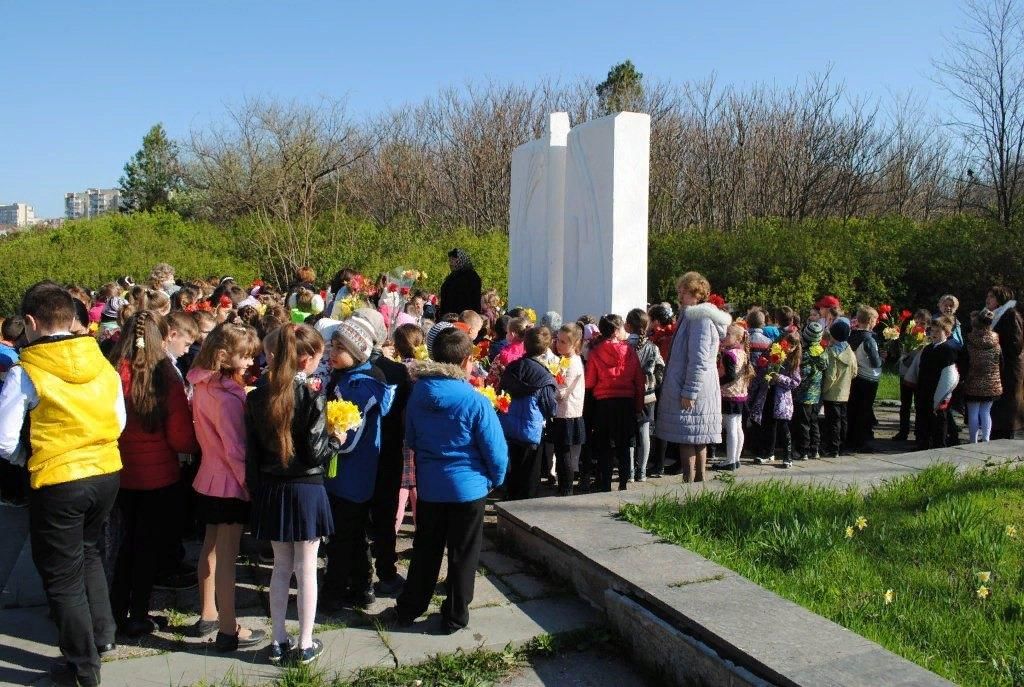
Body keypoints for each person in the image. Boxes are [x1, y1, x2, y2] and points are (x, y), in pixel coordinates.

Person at [0, 282, 126, 687]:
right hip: (106, 471)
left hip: (59, 478)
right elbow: (119, 420)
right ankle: (103, 635)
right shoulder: (101, 361)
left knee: (61, 576)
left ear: (32, 323)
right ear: (72, 319)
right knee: (89, 553)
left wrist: (28, 457)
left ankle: (81, 667)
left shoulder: (27, 371)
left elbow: (3, 441)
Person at [387, 328, 508, 633]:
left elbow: (411, 438)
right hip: (468, 488)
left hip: (431, 487)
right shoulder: (475, 401)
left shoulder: (418, 394)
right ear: (468, 361)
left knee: (426, 548)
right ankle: (454, 614)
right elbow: (496, 451)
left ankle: (410, 605)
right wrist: (495, 479)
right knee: (463, 553)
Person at [246, 324, 334, 665]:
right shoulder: (313, 394)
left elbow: (251, 453)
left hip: (272, 488)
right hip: (306, 488)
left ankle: (279, 639)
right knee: (307, 568)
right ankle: (306, 642)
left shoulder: (256, 396)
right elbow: (315, 453)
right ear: (306, 358)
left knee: (280, 568)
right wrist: (337, 439)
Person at [107, 311, 198, 637]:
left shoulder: (112, 371)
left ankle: (115, 611)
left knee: (123, 545)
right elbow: (180, 437)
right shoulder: (165, 376)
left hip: (119, 471)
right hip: (160, 476)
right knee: (147, 549)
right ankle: (138, 614)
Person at [187, 322, 266, 651]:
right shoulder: (229, 398)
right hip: (230, 484)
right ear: (224, 356)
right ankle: (228, 628)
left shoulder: (202, 384)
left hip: (207, 477)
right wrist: (250, 486)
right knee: (228, 558)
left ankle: (207, 610)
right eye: (245, 357)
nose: (250, 363)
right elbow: (236, 450)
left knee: (211, 547)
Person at [322, 316, 395, 611]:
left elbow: (350, 438)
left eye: (338, 347)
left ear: (358, 352)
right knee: (351, 535)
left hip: (352, 475)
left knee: (340, 538)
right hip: (347, 476)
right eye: (332, 345)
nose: (331, 351)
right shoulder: (349, 379)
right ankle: (362, 586)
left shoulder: (361, 386)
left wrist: (327, 439)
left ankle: (333, 594)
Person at [357, 308, 412, 598]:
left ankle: (361, 576)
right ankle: (386, 572)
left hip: (356, 454)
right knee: (385, 514)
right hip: (387, 451)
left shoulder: (350, 369)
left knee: (357, 516)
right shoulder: (397, 370)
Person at [656, 272, 731, 483]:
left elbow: (698, 359)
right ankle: (697, 482)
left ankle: (691, 482)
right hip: (696, 383)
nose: (680, 295)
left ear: (697, 294)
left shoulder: (699, 319)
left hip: (693, 384)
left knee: (689, 436)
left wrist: (690, 390)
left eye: (684, 291)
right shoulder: (691, 316)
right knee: (696, 434)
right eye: (680, 290)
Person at [585, 315, 645, 491]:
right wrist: (638, 407)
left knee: (605, 447)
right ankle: (624, 483)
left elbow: (589, 382)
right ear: (617, 331)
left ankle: (604, 484)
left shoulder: (595, 352)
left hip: (604, 404)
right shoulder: (629, 351)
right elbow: (639, 381)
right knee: (624, 445)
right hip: (626, 403)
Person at [500, 327, 558, 500]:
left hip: (508, 426)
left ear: (525, 344)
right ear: (545, 348)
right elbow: (549, 406)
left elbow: (500, 392)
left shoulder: (511, 368)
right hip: (531, 430)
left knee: (512, 470)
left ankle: (509, 503)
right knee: (531, 475)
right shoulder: (545, 375)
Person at [750, 332, 803, 467]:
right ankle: (768, 452)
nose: (788, 348)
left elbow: (795, 381)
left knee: (783, 427)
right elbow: (760, 371)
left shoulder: (792, 361)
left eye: (792, 346)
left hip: (782, 398)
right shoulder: (771, 353)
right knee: (768, 424)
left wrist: (779, 378)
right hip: (767, 393)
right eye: (787, 345)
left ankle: (788, 456)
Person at [626, 309, 664, 482]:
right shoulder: (653, 347)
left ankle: (630, 472)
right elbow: (660, 369)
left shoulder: (624, 346)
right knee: (645, 433)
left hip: (627, 394)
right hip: (648, 396)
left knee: (629, 435)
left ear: (627, 326)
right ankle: (642, 471)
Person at [913, 317, 960, 451]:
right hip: (923, 389)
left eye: (938, 332)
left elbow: (949, 376)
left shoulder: (947, 350)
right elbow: (921, 369)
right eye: (932, 331)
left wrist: (943, 395)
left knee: (939, 418)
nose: (934, 334)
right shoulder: (928, 349)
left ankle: (939, 444)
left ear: (947, 334)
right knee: (922, 417)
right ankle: (923, 443)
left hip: (937, 389)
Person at [714, 323, 753, 472]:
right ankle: (735, 458)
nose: (725, 337)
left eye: (728, 334)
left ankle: (730, 460)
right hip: (740, 394)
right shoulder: (742, 352)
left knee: (731, 428)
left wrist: (718, 382)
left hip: (730, 394)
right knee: (737, 427)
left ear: (738, 339)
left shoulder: (729, 354)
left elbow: (730, 375)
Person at [988, 285, 1024, 439]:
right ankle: (998, 431)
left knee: (1008, 402)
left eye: (991, 296)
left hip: (1010, 367)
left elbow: (1016, 345)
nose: (987, 300)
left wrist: (995, 344)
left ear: (1000, 299)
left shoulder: (1010, 315)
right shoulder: (997, 315)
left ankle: (1007, 433)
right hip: (1000, 366)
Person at [846, 306, 883, 452]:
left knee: (853, 408)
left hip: (855, 375)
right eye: (875, 319)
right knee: (865, 410)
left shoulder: (851, 335)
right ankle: (862, 441)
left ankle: (851, 438)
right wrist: (883, 358)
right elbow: (875, 362)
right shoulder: (869, 339)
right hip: (868, 377)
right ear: (870, 321)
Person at [964, 309, 1002, 443]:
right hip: (992, 383)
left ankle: (973, 441)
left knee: (973, 412)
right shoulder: (996, 340)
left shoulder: (969, 340)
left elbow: (964, 362)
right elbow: (1001, 362)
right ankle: (986, 440)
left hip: (972, 381)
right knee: (986, 412)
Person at [892, 309, 931, 442]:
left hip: (919, 375)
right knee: (905, 404)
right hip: (905, 373)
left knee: (920, 405)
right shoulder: (907, 334)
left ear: (928, 325)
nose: (919, 325)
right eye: (917, 321)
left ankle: (919, 432)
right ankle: (903, 431)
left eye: (923, 323)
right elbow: (901, 352)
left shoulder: (929, 338)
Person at [821, 318, 857, 458]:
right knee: (842, 419)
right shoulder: (850, 351)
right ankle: (841, 446)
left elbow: (830, 376)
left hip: (832, 393)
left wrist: (824, 389)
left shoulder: (831, 353)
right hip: (845, 391)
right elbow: (854, 371)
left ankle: (832, 447)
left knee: (832, 422)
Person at [792, 321, 827, 461]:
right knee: (814, 421)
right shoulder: (822, 352)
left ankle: (803, 450)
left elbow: (803, 375)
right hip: (816, 394)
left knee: (803, 423)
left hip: (804, 394)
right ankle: (815, 449)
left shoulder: (806, 355)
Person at [438, 248, 482, 318]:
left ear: (460, 260)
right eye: (450, 260)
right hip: (449, 316)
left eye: (453, 260)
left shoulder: (472, 277)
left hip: (466, 317)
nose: (450, 263)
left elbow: (474, 300)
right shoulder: (451, 277)